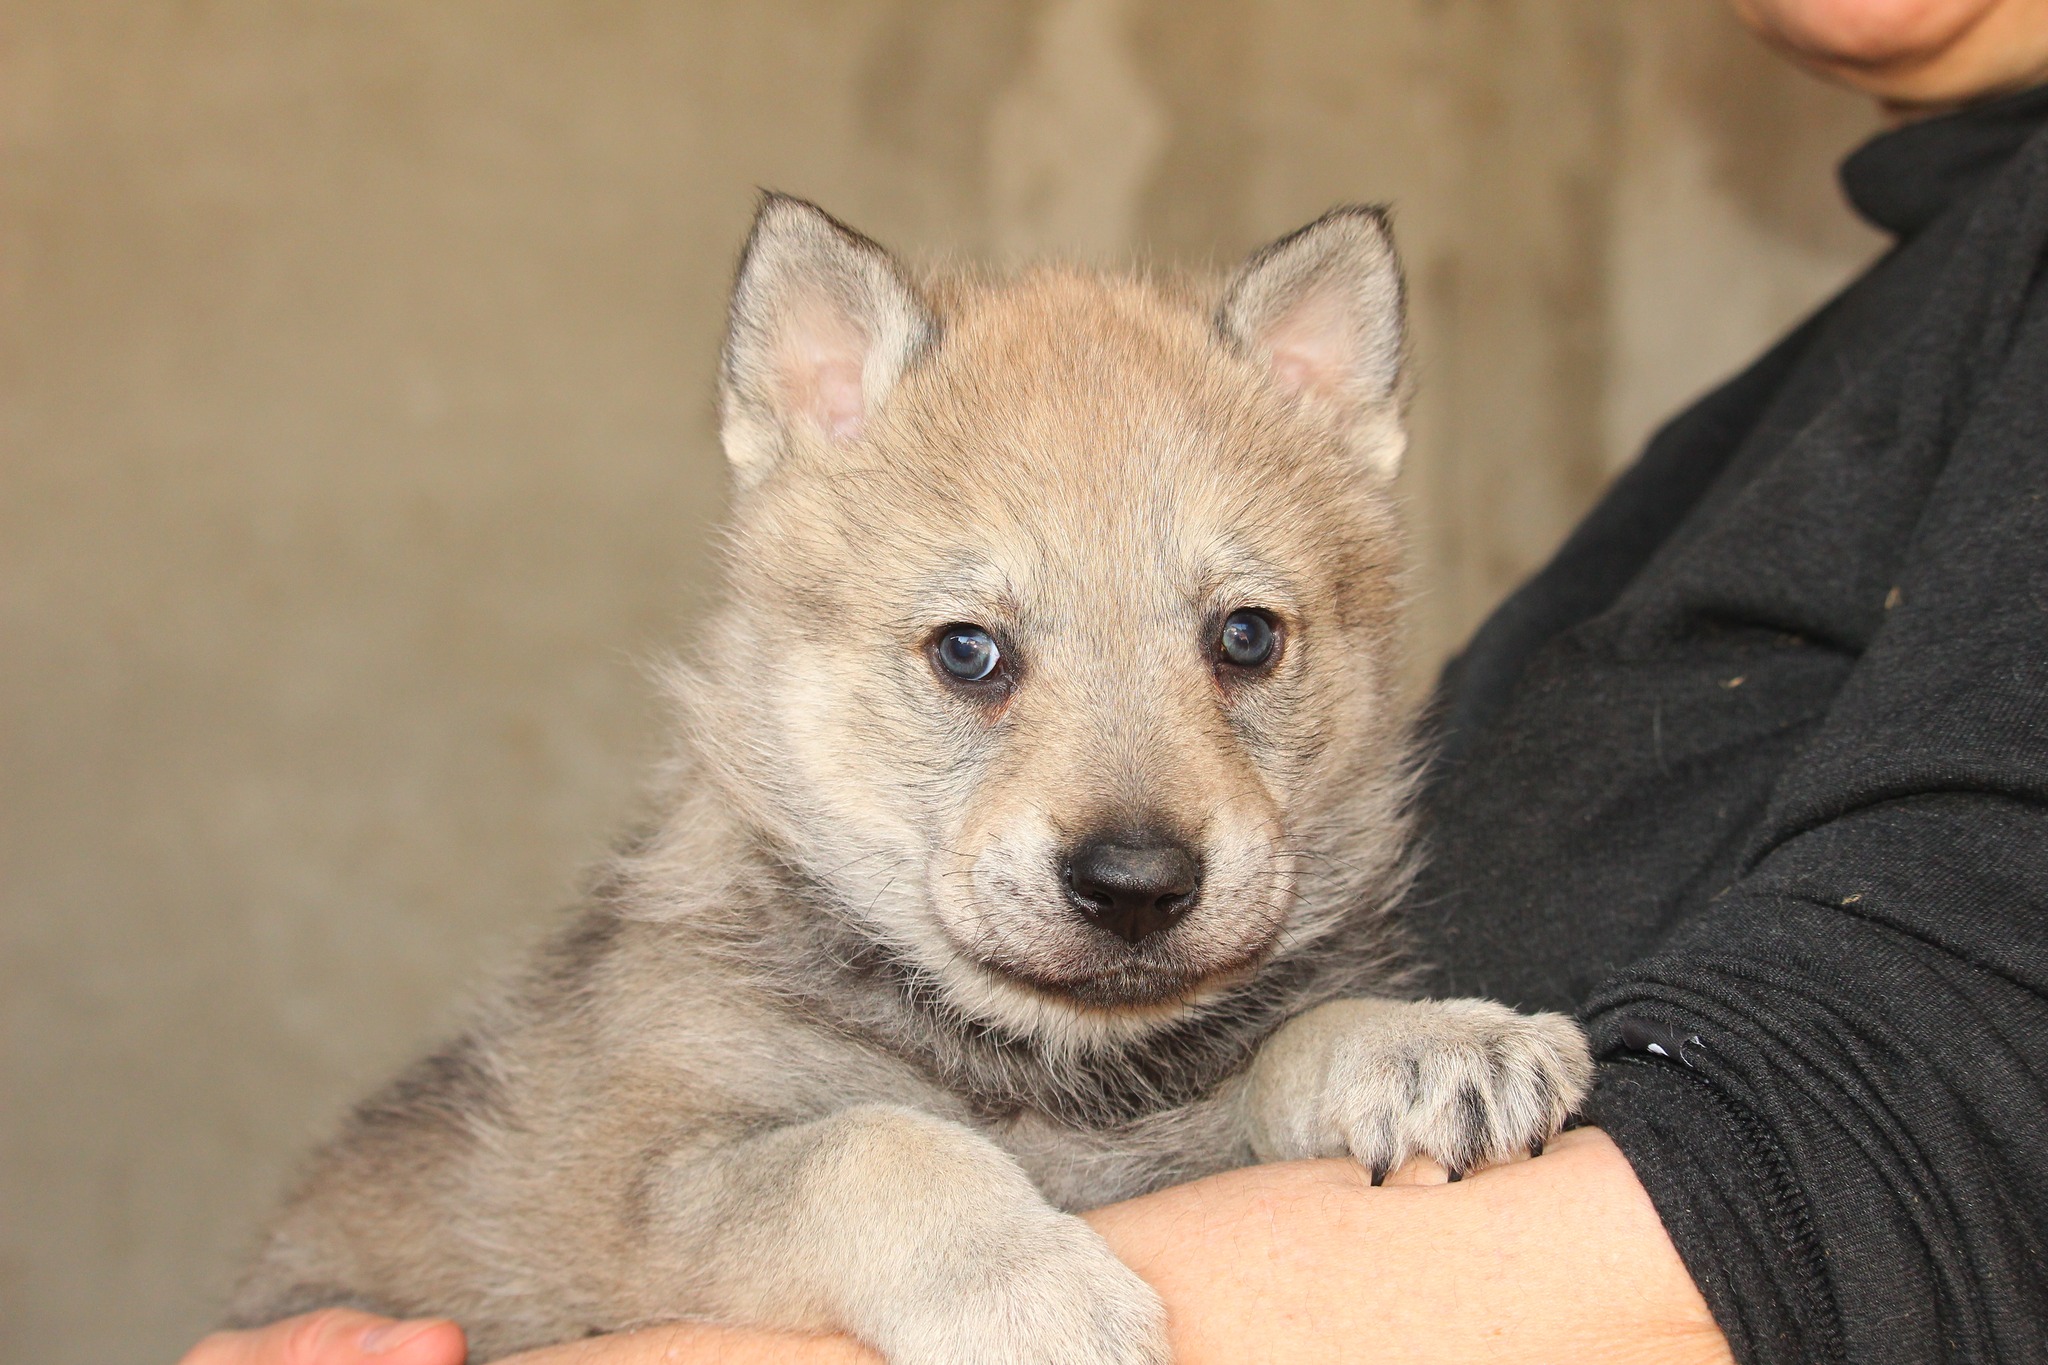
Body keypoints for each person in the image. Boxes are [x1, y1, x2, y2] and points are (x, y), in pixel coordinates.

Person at [180, 0, 2048, 1360]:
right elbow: (645, 1198)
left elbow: (1927, 1117)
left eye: (1241, 642)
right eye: (973, 657)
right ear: (807, 414)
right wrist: (885, 1198)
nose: (1141, 820)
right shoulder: (1785, 393)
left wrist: (1323, 1064)